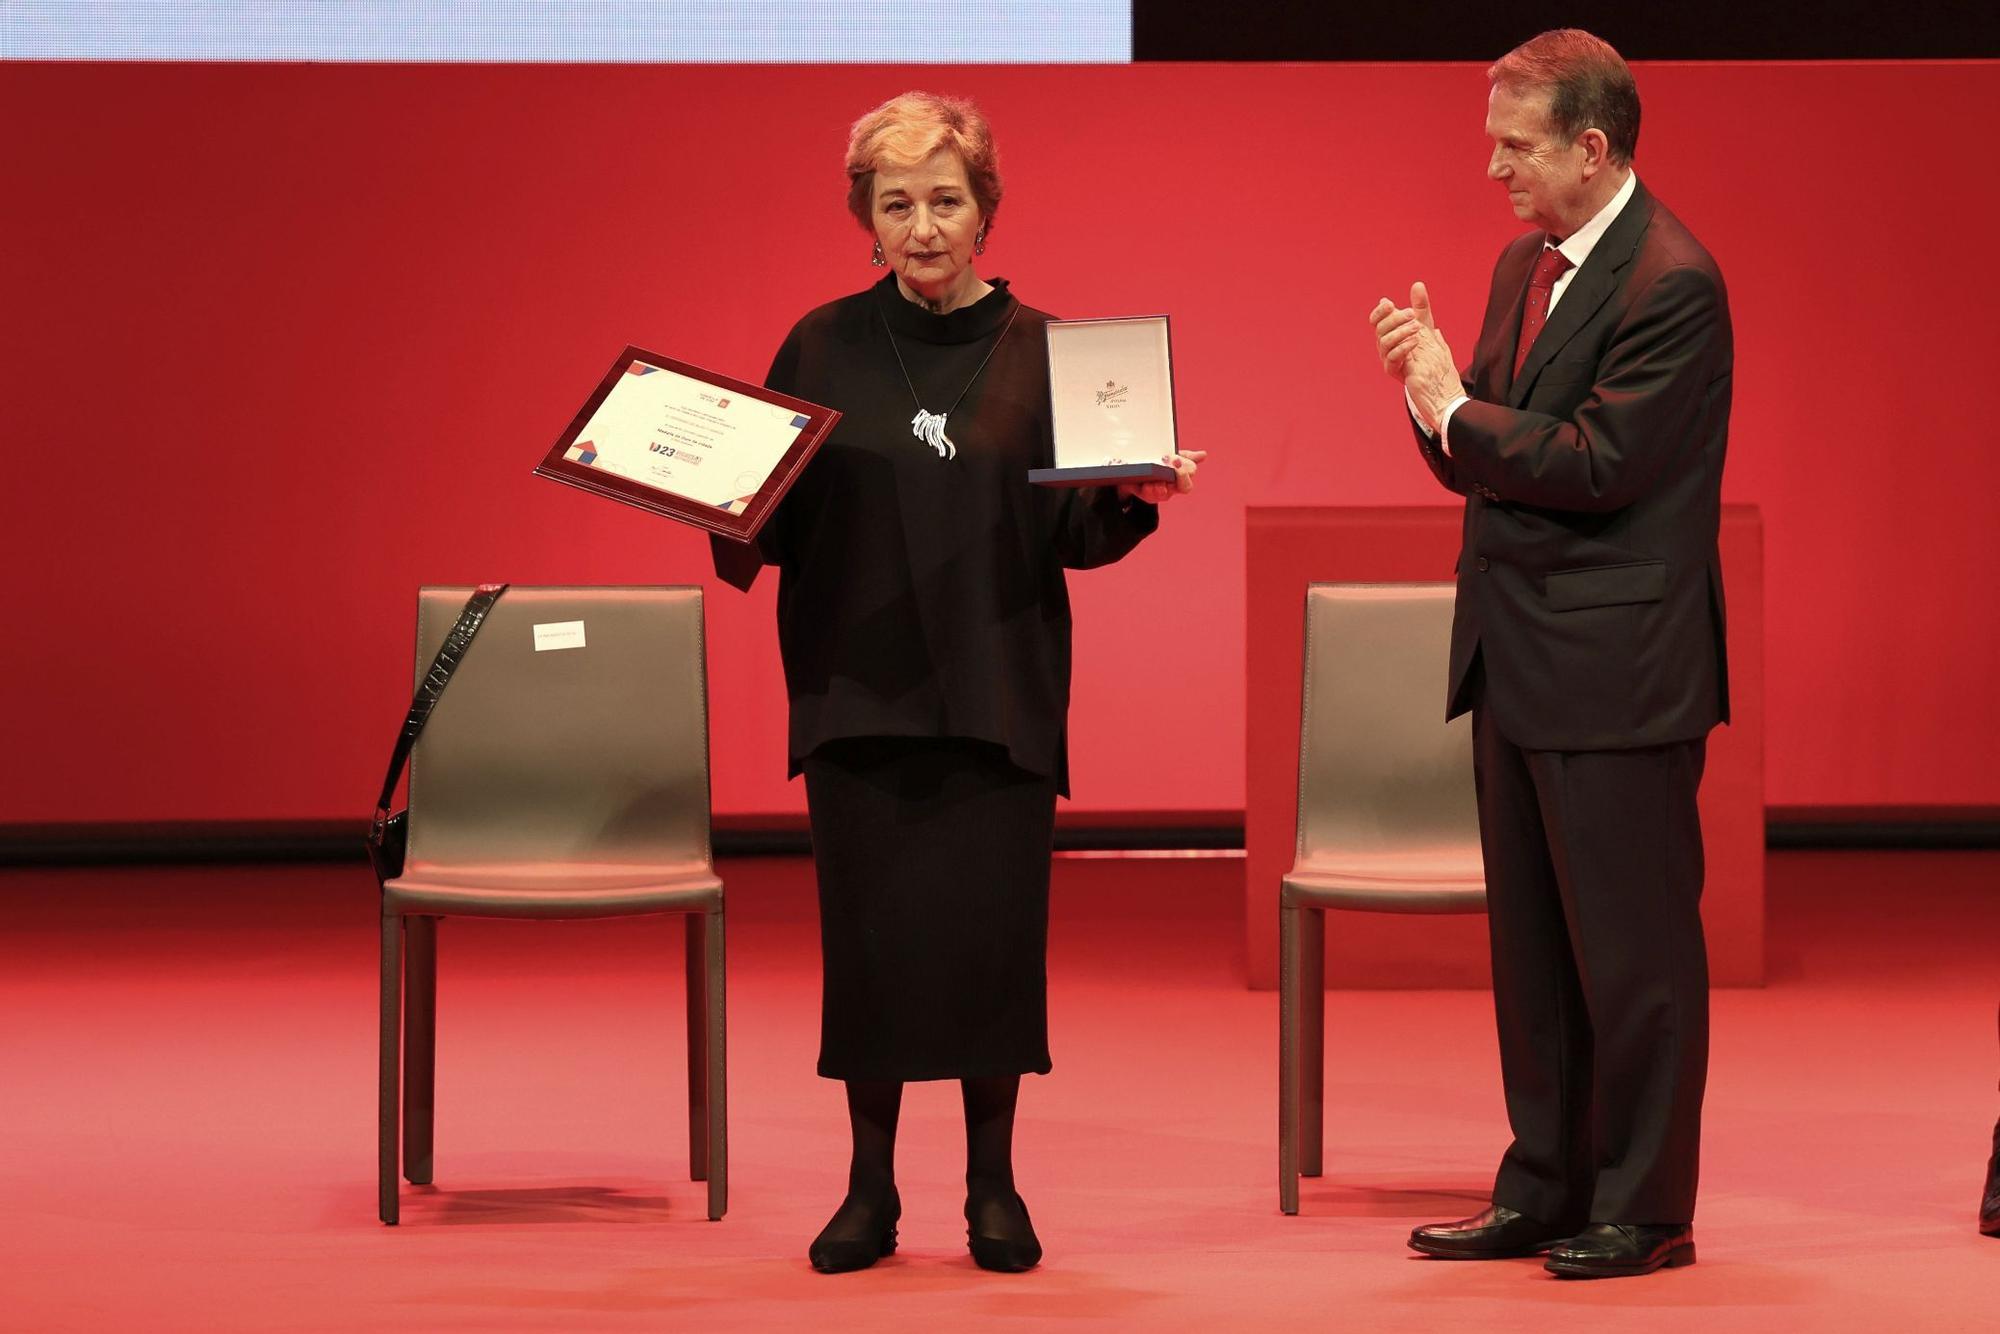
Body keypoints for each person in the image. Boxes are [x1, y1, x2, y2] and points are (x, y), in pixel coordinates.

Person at [712, 91, 1203, 1274]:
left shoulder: (1052, 352)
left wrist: (1133, 498)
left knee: (991, 952)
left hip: (998, 694)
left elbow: (1074, 533)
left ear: (984, 207)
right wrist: (702, 491)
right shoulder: (818, 343)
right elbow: (762, 522)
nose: (921, 227)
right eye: (895, 205)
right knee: (869, 951)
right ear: (863, 220)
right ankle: (867, 1188)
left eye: (943, 199)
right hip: (856, 693)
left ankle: (993, 1184)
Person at [1369, 29, 1731, 1279]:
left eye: (1513, 146)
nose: (1491, 169)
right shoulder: (1523, 265)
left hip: (1617, 674)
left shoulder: (1671, 281)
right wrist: (1433, 399)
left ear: (1591, 146)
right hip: (1516, 655)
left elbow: (1592, 464)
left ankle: (1643, 1205)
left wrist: (1453, 404)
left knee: (1631, 959)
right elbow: (1484, 448)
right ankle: (1544, 1181)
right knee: (1531, 953)